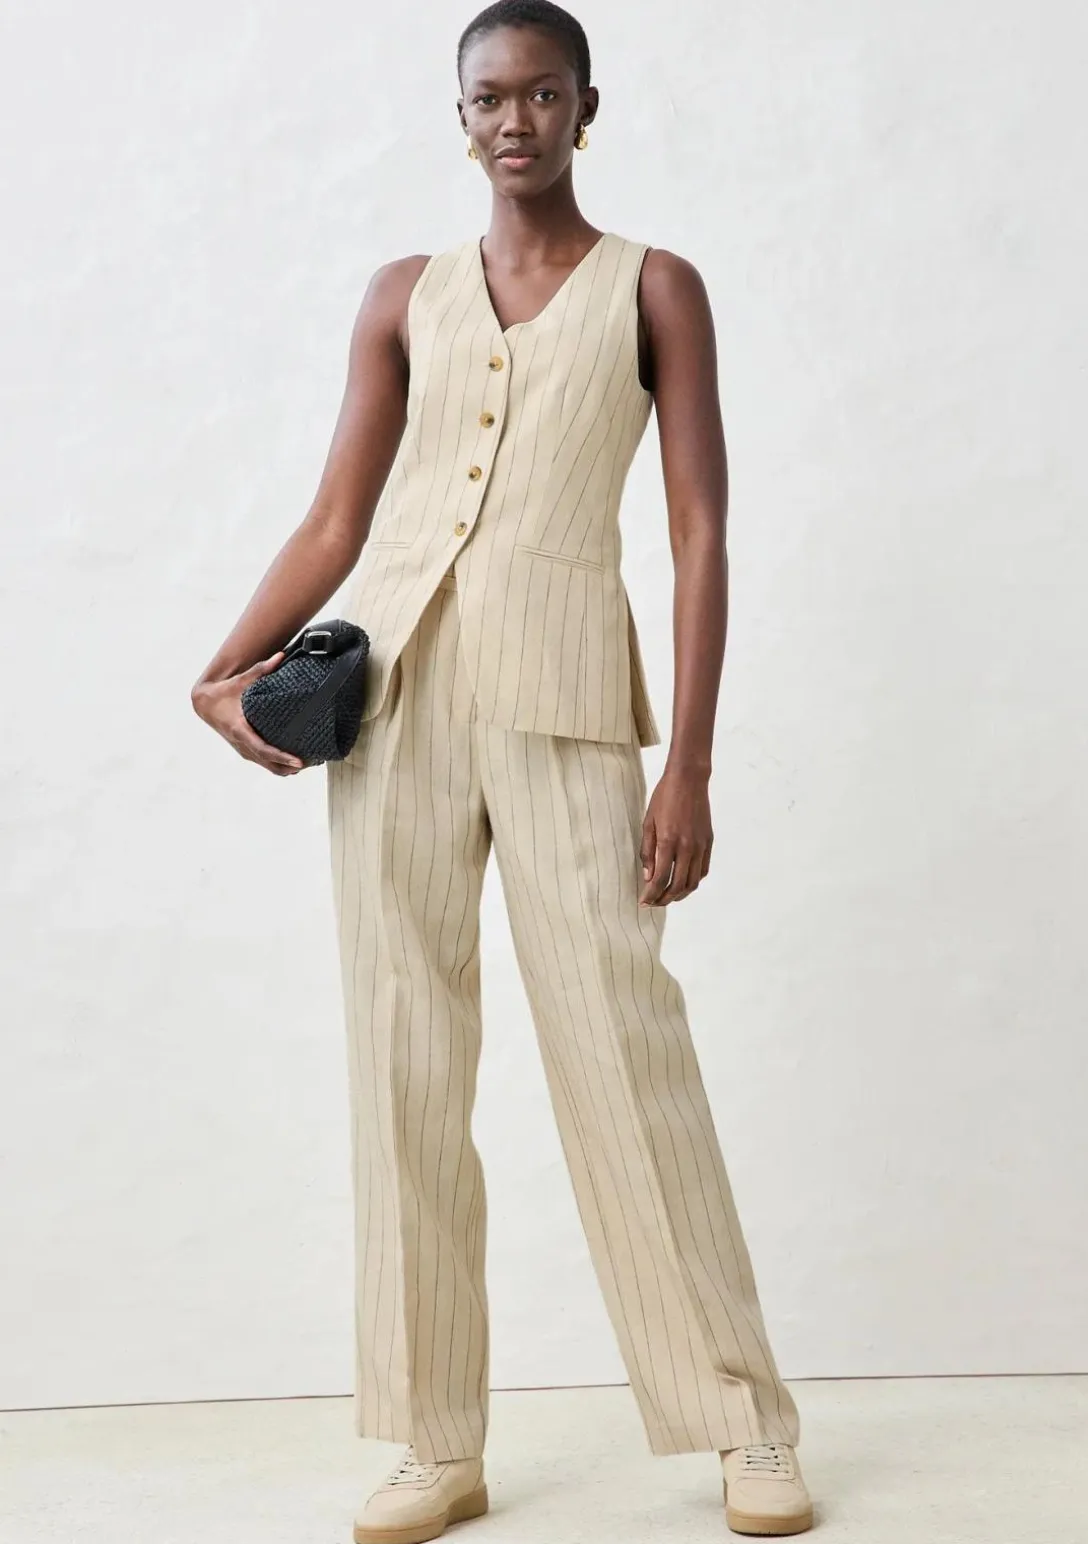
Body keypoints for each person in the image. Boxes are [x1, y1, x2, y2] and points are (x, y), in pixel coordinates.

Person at [191, 2, 814, 1537]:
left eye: (542, 94)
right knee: (403, 1055)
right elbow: (336, 521)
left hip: (565, 698)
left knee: (621, 1043)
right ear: (457, 116)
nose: (513, 120)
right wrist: (223, 666)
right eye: (487, 97)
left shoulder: (653, 288)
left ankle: (742, 1420)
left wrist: (690, 764)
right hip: (395, 701)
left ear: (586, 108)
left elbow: (697, 529)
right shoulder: (399, 295)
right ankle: (434, 1439)